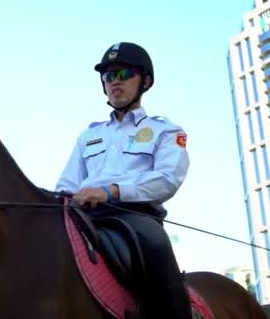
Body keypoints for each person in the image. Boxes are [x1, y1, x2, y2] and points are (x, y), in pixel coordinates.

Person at [56, 42, 192, 318]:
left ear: (145, 81)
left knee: (154, 242)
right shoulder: (89, 136)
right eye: (108, 76)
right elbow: (66, 185)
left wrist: (111, 191)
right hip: (82, 214)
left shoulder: (165, 130)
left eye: (124, 74)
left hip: (135, 217)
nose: (114, 82)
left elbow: (168, 179)